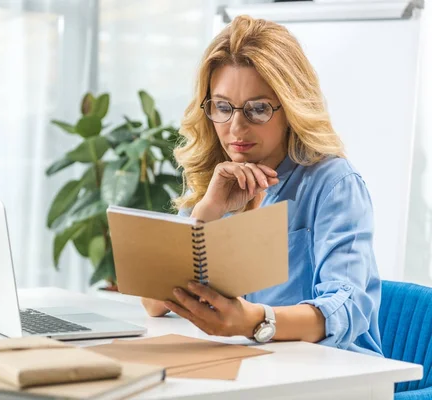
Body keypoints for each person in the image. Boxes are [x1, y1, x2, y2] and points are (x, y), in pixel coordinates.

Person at [141, 15, 383, 357]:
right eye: (223, 107)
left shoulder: (333, 183)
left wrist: (254, 321)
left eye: (257, 109)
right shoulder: (217, 178)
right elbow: (153, 303)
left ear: (292, 107)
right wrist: (206, 213)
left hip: (332, 375)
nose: (236, 128)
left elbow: (348, 308)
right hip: (245, 365)